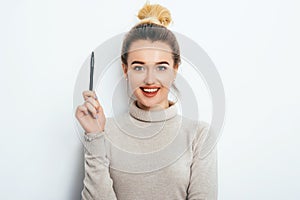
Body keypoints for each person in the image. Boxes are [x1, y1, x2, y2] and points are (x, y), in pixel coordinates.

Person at [75, 2, 218, 200]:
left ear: (175, 69)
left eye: (161, 67)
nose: (150, 79)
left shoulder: (199, 135)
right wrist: (95, 137)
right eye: (139, 67)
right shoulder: (104, 132)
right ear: (125, 70)